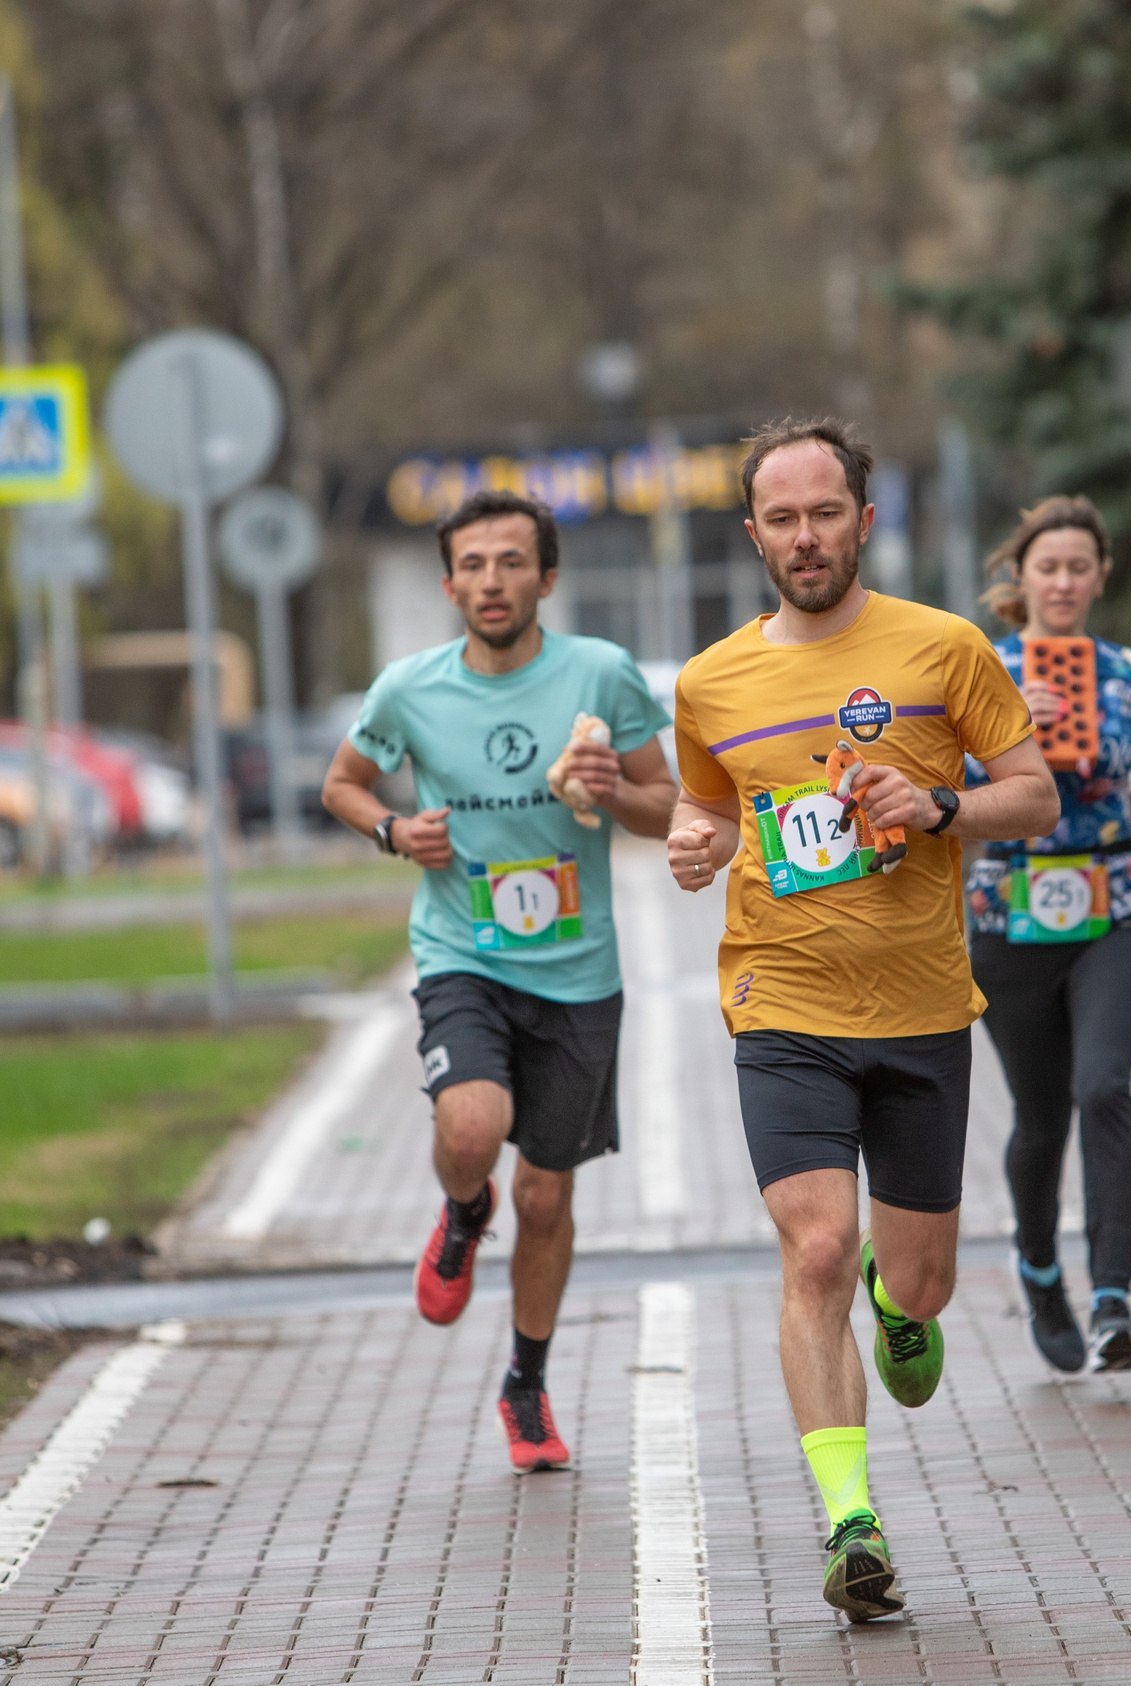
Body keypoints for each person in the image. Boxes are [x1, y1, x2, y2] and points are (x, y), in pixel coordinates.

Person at [665, 418, 1059, 1622]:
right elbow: (713, 812)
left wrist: (937, 804)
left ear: (863, 521)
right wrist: (698, 841)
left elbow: (1034, 797)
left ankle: (903, 1308)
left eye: (823, 513)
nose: (803, 537)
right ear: (752, 534)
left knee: (914, 1277)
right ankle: (850, 1526)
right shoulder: (710, 681)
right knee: (816, 1249)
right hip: (780, 1002)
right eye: (780, 519)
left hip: (924, 1005)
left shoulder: (944, 651)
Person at [322, 489, 676, 1475]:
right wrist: (394, 830)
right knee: (472, 1130)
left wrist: (617, 793)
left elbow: (668, 806)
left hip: (577, 971)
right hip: (461, 952)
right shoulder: (409, 689)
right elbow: (340, 784)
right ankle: (463, 1209)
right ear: (447, 585)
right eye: (473, 565)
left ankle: (526, 1383)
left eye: (512, 562)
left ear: (546, 579)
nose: (491, 580)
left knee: (551, 1201)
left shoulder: (599, 675)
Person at [963, 496, 1131, 1376]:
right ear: (1020, 580)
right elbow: (940, 773)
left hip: (1115, 902)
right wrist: (1000, 731)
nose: (1062, 581)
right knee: (1040, 1112)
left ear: (1100, 577)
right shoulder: (981, 667)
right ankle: (1039, 1270)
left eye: (1078, 567)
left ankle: (1113, 1298)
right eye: (1046, 567)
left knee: (1104, 1086)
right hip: (1012, 912)